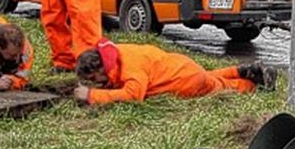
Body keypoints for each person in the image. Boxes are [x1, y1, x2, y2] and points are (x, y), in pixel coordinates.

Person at [73, 39, 276, 105]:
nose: (95, 82)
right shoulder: (118, 52)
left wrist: (92, 95)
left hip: (186, 81)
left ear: (102, 67)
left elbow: (133, 95)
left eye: (93, 78)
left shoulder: (130, 70)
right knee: (209, 76)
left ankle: (253, 85)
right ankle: (240, 70)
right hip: (181, 66)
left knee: (220, 87)